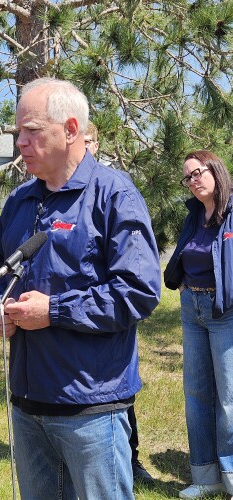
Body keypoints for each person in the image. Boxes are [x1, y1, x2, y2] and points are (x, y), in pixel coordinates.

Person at [0, 77, 161, 500]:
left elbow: (138, 291)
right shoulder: (19, 201)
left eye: (33, 131)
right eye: (18, 132)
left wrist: (55, 311)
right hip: (28, 404)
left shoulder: (114, 195)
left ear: (70, 129)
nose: (21, 142)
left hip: (90, 408)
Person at [84, 120, 155, 486]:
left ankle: (132, 458)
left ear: (96, 141)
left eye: (91, 139)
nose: (88, 145)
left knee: (121, 397)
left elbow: (135, 277)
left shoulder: (115, 186)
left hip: (112, 317)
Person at [164, 150, 233, 499]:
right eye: (187, 177)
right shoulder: (193, 215)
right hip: (192, 306)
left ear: (215, 171)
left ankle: (231, 475)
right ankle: (205, 477)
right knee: (196, 394)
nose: (192, 181)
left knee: (229, 398)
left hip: (226, 311)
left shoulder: (232, 213)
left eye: (197, 173)